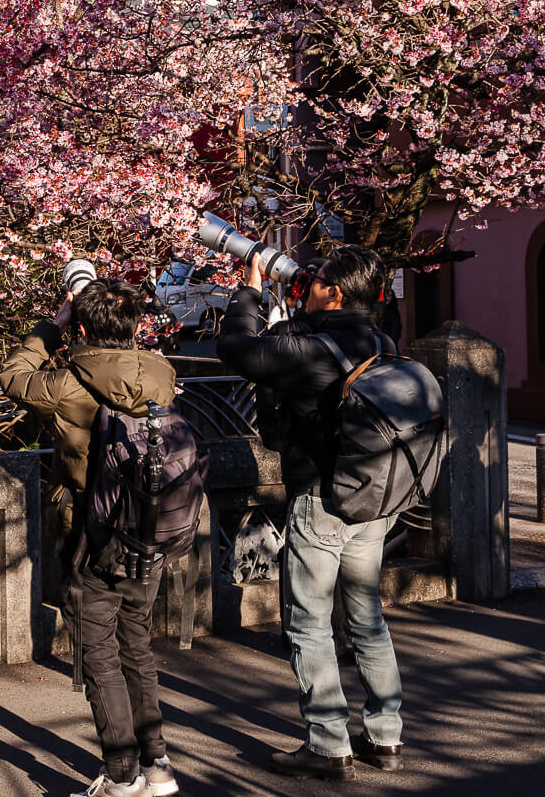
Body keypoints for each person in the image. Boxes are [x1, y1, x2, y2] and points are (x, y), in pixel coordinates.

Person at [216, 245, 405, 781]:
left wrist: (250, 290)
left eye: (315, 279)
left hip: (322, 501)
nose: (306, 281)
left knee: (309, 623)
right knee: (367, 619)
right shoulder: (380, 341)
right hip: (373, 499)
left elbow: (236, 348)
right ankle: (385, 736)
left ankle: (327, 744)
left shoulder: (311, 350)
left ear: (336, 292)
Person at [0, 279, 181, 797]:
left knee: (98, 651)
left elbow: (12, 377)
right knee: (136, 645)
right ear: (135, 326)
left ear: (80, 328)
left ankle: (122, 774)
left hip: (91, 531)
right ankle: (159, 764)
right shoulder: (162, 373)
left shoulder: (66, 383)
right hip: (150, 531)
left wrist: (49, 327)